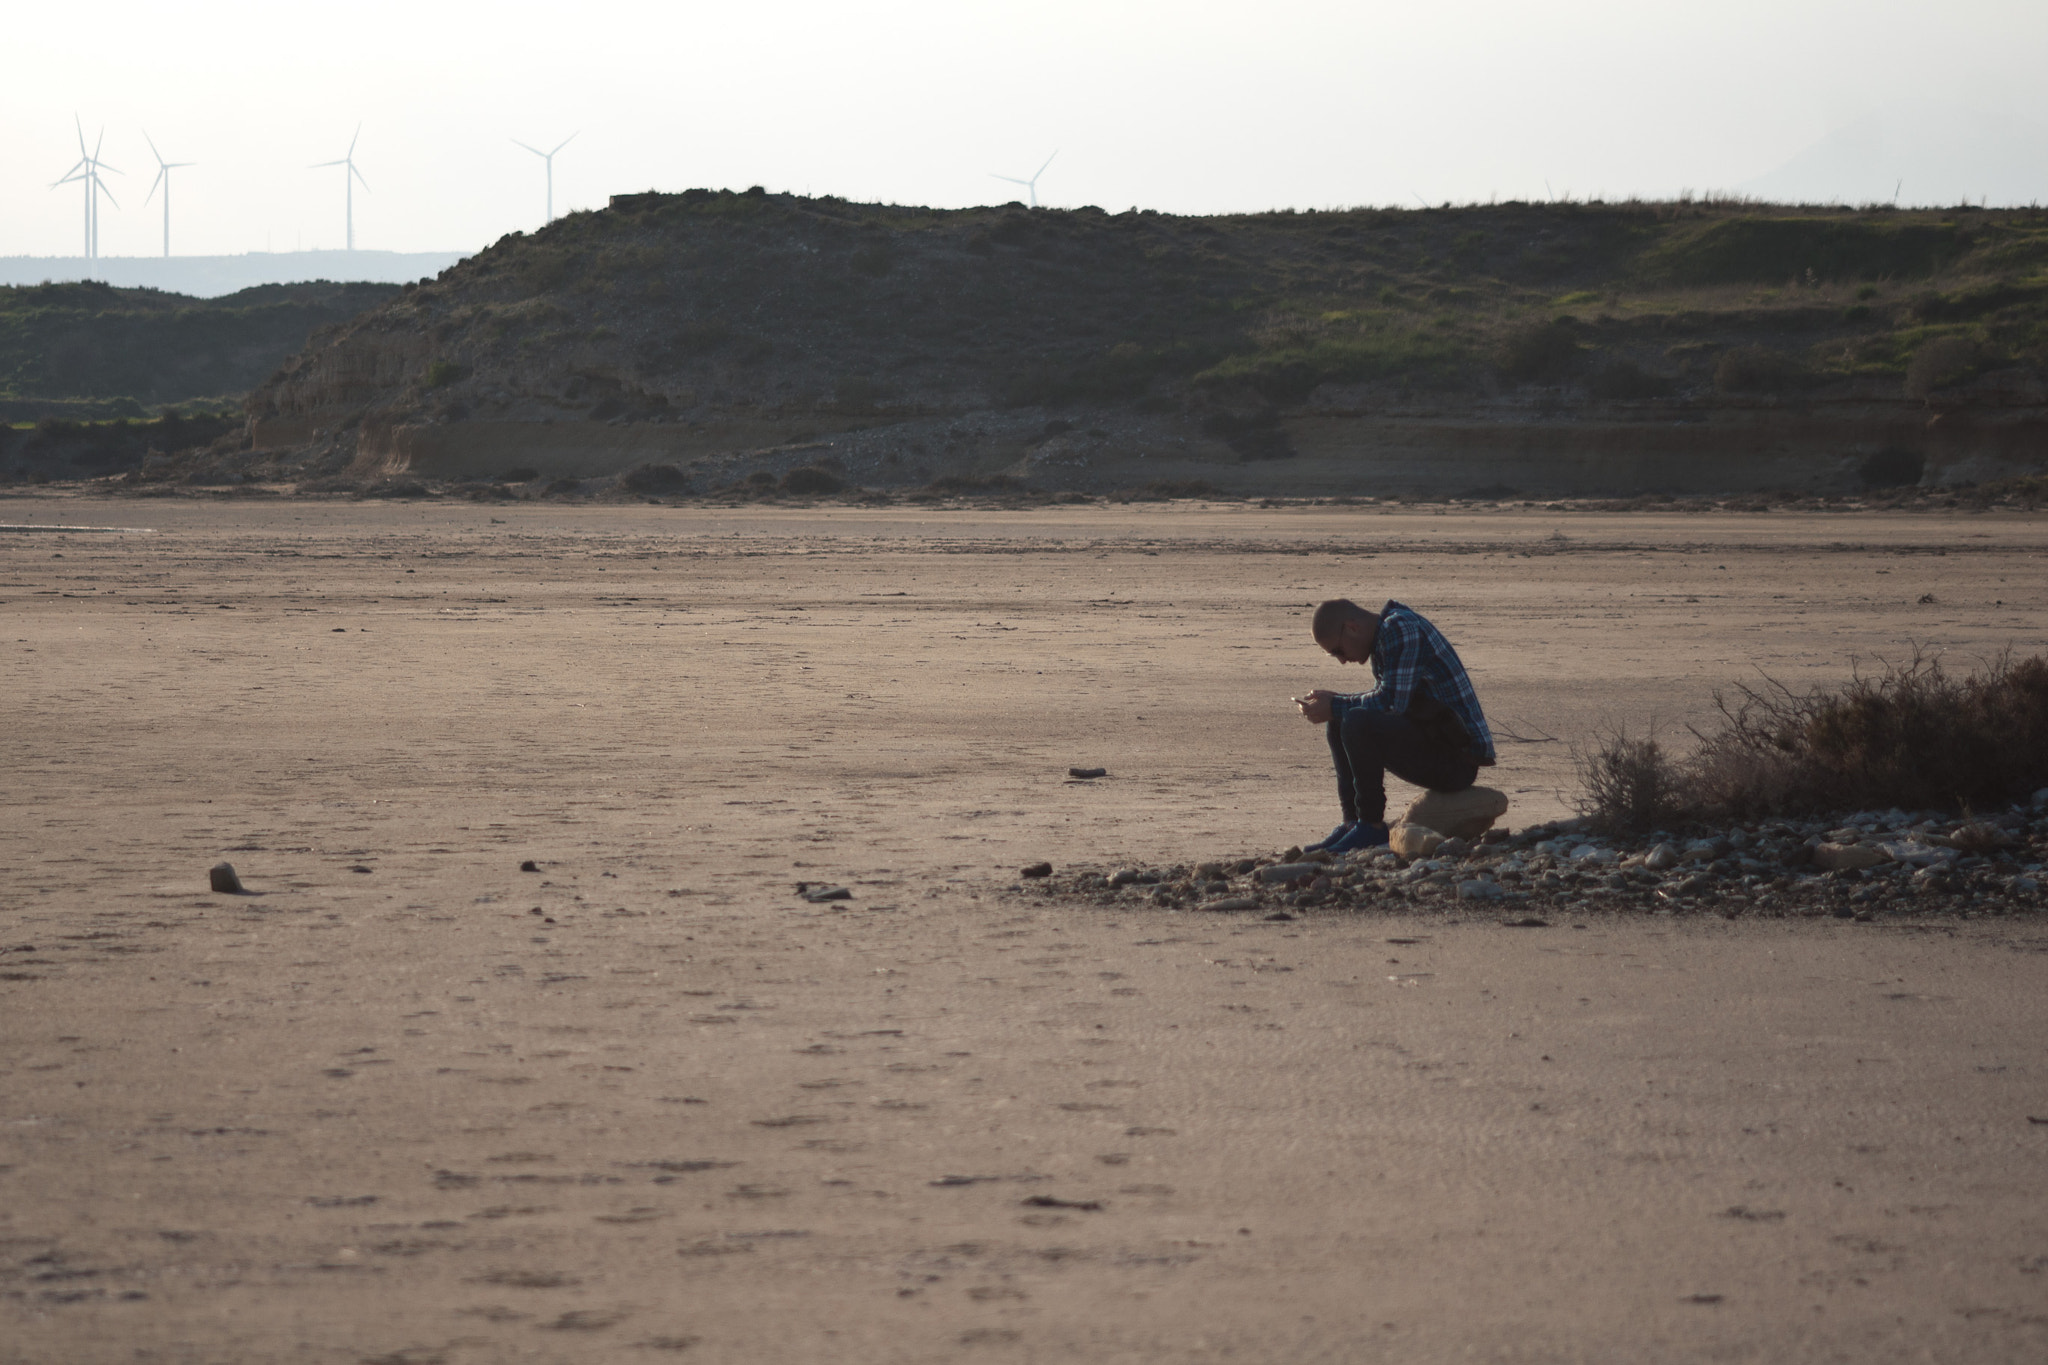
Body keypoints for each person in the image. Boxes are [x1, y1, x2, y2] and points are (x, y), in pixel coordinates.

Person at [1291, 598, 1496, 855]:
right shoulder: (1387, 634)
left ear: (1352, 627)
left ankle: (1371, 826)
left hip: (1457, 761)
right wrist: (1335, 706)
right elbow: (1388, 699)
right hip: (1437, 741)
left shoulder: (1401, 628)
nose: (1342, 661)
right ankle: (1352, 822)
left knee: (1352, 718)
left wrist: (1335, 704)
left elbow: (1391, 703)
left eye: (1338, 651)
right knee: (1343, 717)